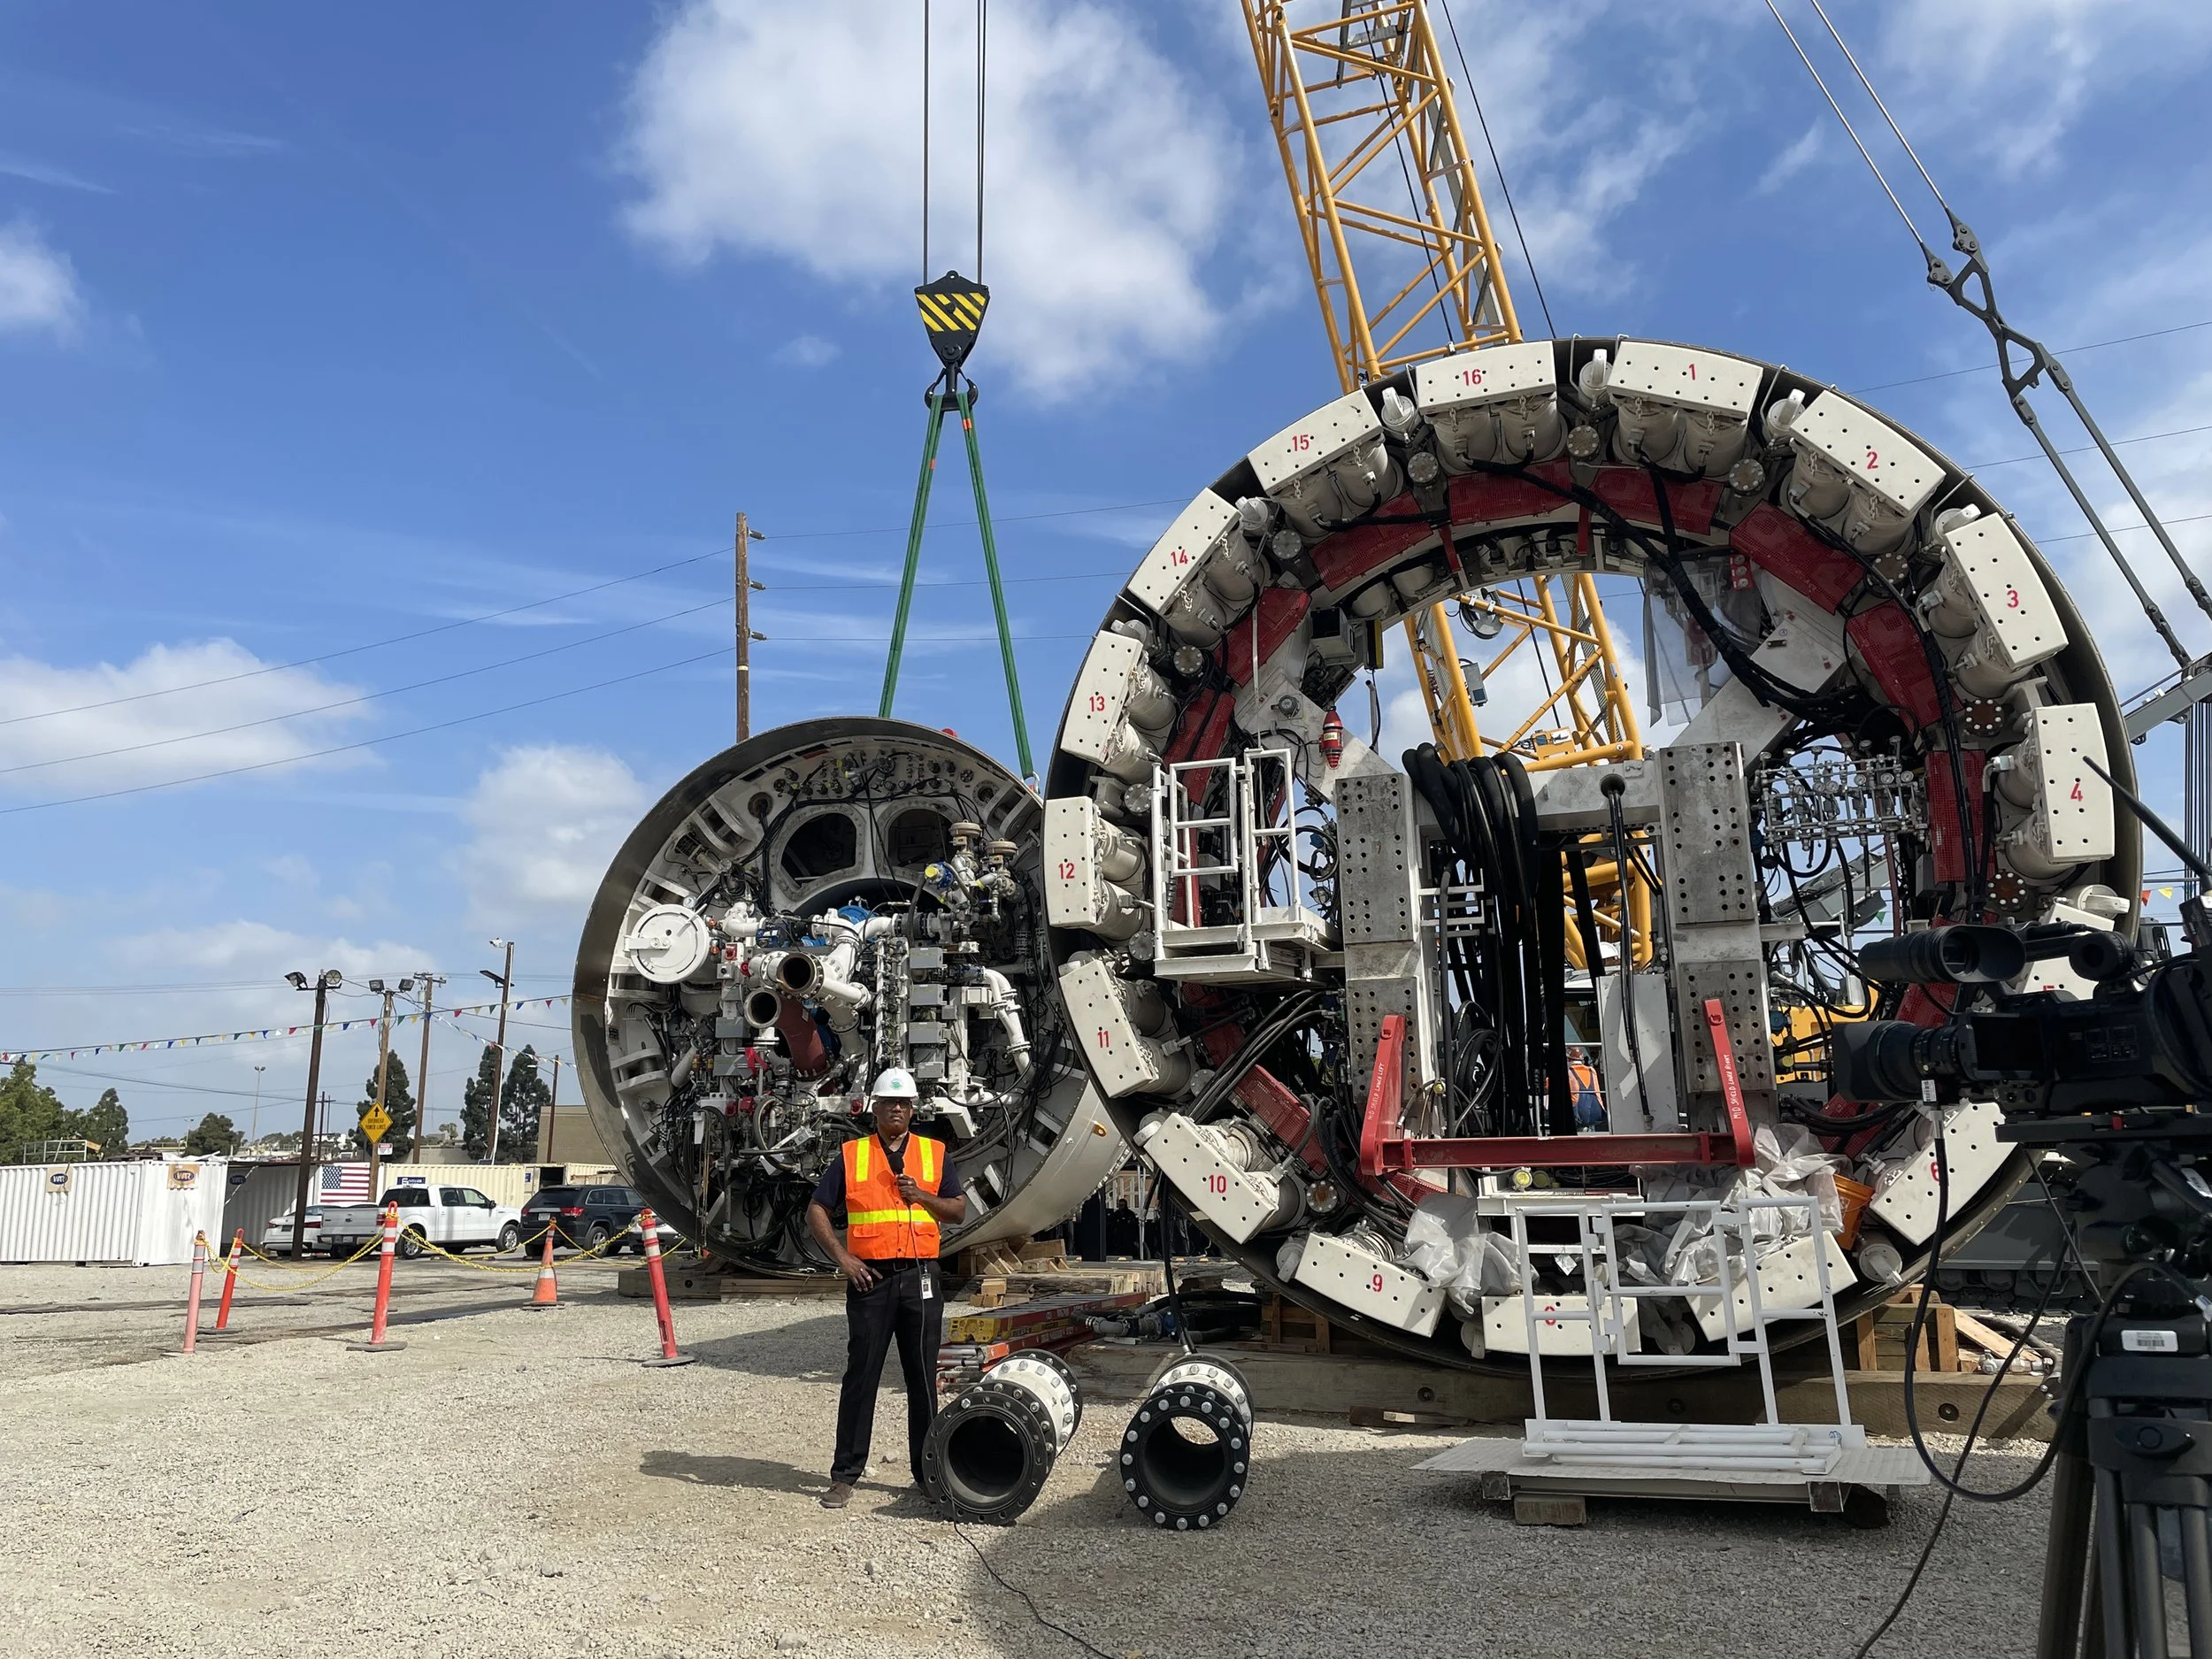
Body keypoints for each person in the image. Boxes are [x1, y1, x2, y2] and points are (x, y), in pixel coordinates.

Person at [805, 1067, 966, 1510]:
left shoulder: (936, 1155)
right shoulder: (852, 1155)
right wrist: (843, 1258)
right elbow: (816, 1208)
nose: (897, 1109)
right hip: (870, 1280)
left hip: (921, 1277)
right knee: (862, 1375)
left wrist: (922, 1198)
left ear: (913, 1109)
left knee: (922, 1378)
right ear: (873, 1107)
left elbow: (957, 1211)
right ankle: (845, 1475)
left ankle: (929, 1471)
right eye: (888, 1102)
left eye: (904, 1103)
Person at [1567, 1044, 1606, 1132]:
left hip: (1577, 1116)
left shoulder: (1568, 1073)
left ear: (1568, 1059)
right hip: (1594, 1112)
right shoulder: (1592, 1071)